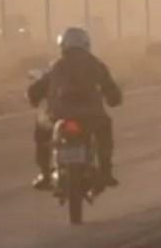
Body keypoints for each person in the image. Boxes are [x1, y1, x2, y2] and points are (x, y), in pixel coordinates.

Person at [27, 27, 122, 190]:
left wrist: (33, 98)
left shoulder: (56, 66)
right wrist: (114, 99)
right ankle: (106, 171)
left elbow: (37, 89)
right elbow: (110, 89)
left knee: (42, 130)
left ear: (63, 45)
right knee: (105, 130)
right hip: (92, 115)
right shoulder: (95, 64)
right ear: (86, 44)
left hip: (59, 115)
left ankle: (45, 174)